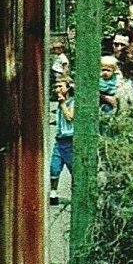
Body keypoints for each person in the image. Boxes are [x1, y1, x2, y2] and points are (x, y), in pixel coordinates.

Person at [49, 76, 74, 205]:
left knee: (73, 167)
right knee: (54, 166)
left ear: (68, 88)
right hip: (60, 139)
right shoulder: (59, 103)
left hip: (70, 140)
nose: (57, 89)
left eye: (60, 86)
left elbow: (70, 117)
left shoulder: (73, 102)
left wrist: (63, 103)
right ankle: (53, 192)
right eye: (55, 86)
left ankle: (76, 192)